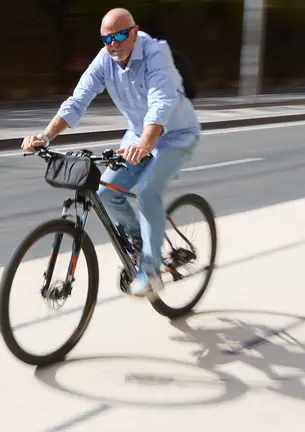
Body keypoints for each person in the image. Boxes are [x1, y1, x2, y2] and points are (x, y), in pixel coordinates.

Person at [21, 7, 200, 298]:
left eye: (119, 35)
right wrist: (44, 136)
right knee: (106, 192)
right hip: (137, 135)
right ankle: (140, 241)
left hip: (176, 136)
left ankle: (151, 271)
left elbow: (161, 101)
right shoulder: (106, 58)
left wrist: (145, 144)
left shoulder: (156, 53)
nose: (113, 43)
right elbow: (78, 100)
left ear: (134, 31)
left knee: (147, 191)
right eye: (107, 38)